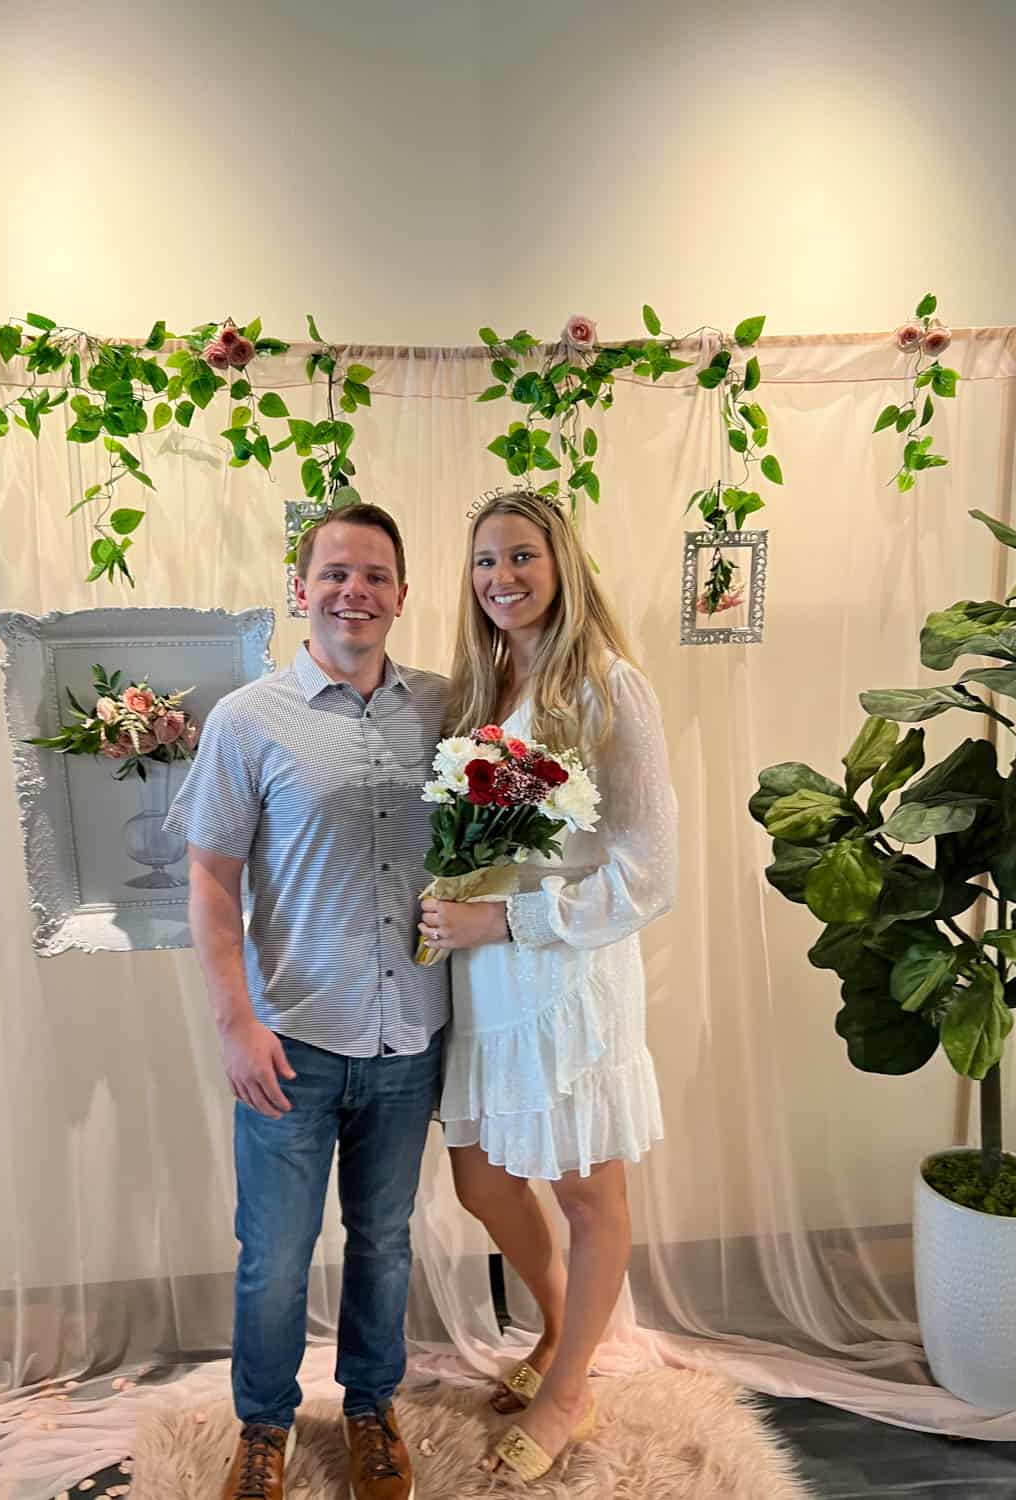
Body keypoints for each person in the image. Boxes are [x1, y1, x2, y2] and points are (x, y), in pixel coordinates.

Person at [165, 503, 449, 1500]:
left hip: (410, 1037)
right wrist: (235, 1023)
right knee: (275, 1254)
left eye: (375, 574)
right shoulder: (248, 720)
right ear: (301, 589)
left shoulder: (447, 712)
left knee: (385, 1240)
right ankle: (264, 1426)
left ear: (403, 595)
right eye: (335, 573)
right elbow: (209, 877)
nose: (354, 591)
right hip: (293, 1040)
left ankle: (372, 1409)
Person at [419, 489, 677, 1485]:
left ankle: (570, 1387)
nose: (502, 578)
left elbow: (650, 871)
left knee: (584, 1185)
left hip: (569, 972)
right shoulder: (481, 689)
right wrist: (454, 904)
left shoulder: (612, 686)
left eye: (521, 556)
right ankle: (569, 1325)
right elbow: (482, 837)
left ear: (562, 565)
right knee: (481, 1177)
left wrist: (512, 917)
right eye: (485, 561)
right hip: (490, 981)